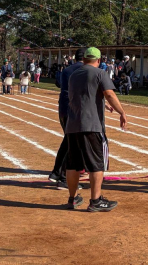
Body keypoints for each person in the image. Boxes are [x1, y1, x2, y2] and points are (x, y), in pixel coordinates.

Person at [65, 47, 128, 212]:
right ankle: (95, 201)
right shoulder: (100, 73)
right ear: (98, 60)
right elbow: (109, 94)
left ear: (84, 59)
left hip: (72, 125)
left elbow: (82, 96)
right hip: (91, 125)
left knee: (73, 164)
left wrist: (102, 103)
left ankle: (72, 198)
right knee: (96, 164)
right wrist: (122, 112)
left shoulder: (74, 75)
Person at [49, 48, 86, 188]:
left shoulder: (66, 70)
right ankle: (64, 177)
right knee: (73, 144)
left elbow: (58, 84)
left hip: (64, 109)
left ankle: (57, 173)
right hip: (76, 110)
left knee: (68, 141)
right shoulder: (85, 70)